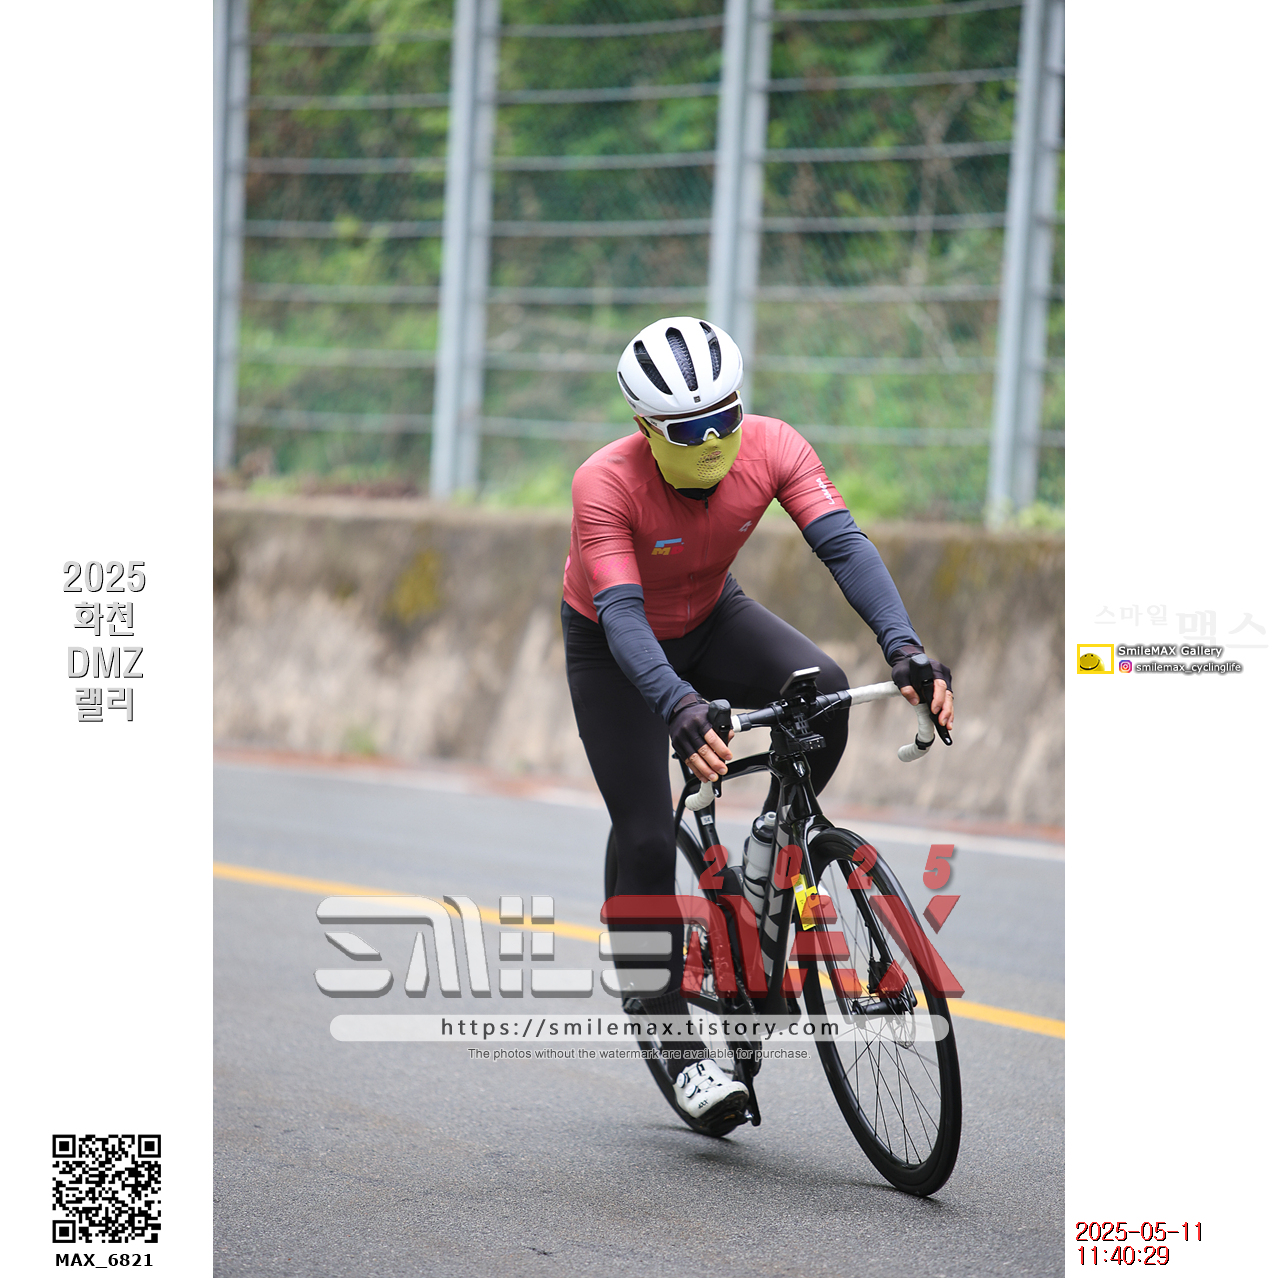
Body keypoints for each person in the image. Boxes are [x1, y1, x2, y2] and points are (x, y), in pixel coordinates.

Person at [560, 316, 954, 1131]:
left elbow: (844, 545)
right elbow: (623, 614)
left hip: (712, 617)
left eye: (724, 418)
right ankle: (671, 1038)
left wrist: (906, 647)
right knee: (644, 838)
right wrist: (676, 704)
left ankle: (773, 846)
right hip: (614, 649)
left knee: (828, 693)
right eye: (687, 430)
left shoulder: (774, 445)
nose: (712, 440)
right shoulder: (604, 482)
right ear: (644, 428)